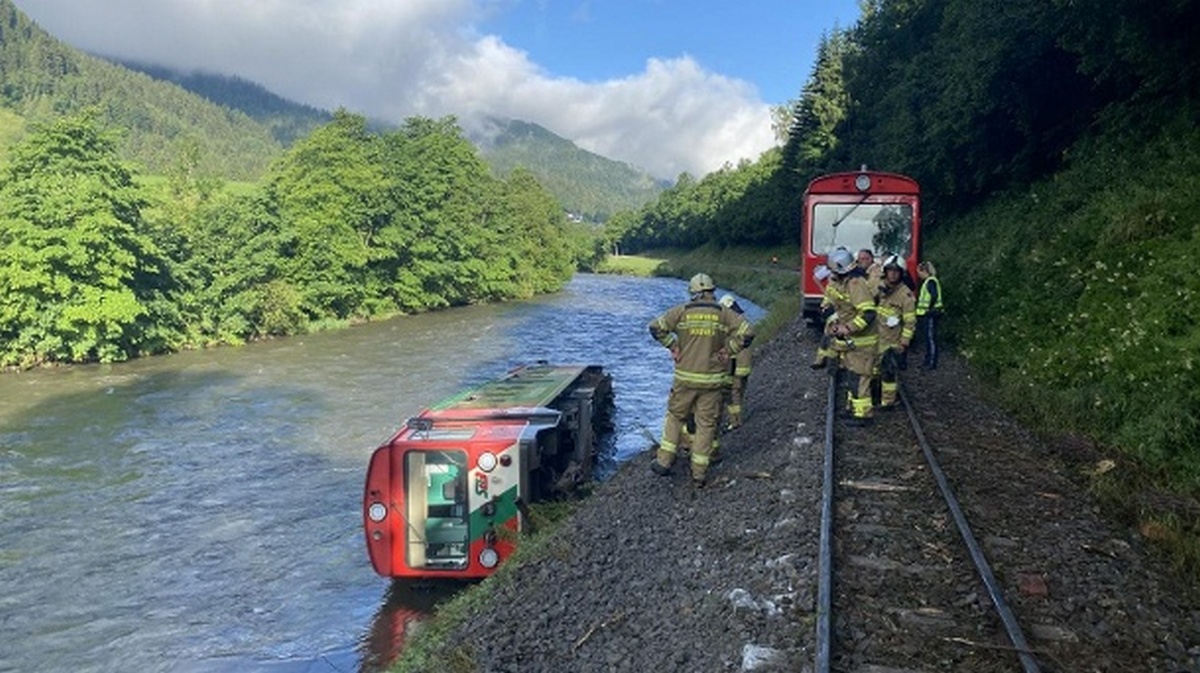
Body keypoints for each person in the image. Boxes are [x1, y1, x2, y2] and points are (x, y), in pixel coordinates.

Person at [648, 273, 754, 486]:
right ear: (712, 292)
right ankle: (699, 474)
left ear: (693, 293)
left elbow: (655, 327)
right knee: (706, 425)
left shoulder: (681, 311)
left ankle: (664, 461)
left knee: (676, 417)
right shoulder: (724, 313)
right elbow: (748, 331)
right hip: (713, 381)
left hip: (684, 379)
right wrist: (729, 350)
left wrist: (673, 346)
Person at [822, 248, 879, 425]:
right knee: (852, 375)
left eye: (833, 270)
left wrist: (848, 328)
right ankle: (853, 408)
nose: (831, 273)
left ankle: (863, 415)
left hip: (862, 342)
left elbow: (868, 313)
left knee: (860, 377)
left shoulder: (856, 284)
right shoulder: (844, 282)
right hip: (853, 343)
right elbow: (840, 304)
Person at [875, 255, 916, 410]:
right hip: (874, 337)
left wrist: (904, 342)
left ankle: (888, 402)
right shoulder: (878, 288)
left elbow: (910, 321)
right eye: (890, 271)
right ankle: (874, 395)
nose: (892, 274)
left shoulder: (905, 295)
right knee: (871, 370)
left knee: (888, 373)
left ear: (901, 274)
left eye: (896, 271)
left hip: (891, 342)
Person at [718, 294, 752, 430]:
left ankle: (735, 421)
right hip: (745, 365)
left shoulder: (733, 323)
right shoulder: (744, 321)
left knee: (733, 393)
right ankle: (736, 419)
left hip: (737, 364)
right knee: (739, 391)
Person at [915, 260, 944, 370]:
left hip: (931, 314)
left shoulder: (931, 281)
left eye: (919, 272)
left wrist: (928, 309)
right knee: (928, 338)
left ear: (924, 271)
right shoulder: (929, 281)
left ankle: (931, 363)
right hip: (928, 314)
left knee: (931, 339)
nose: (918, 275)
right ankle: (927, 361)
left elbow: (934, 296)